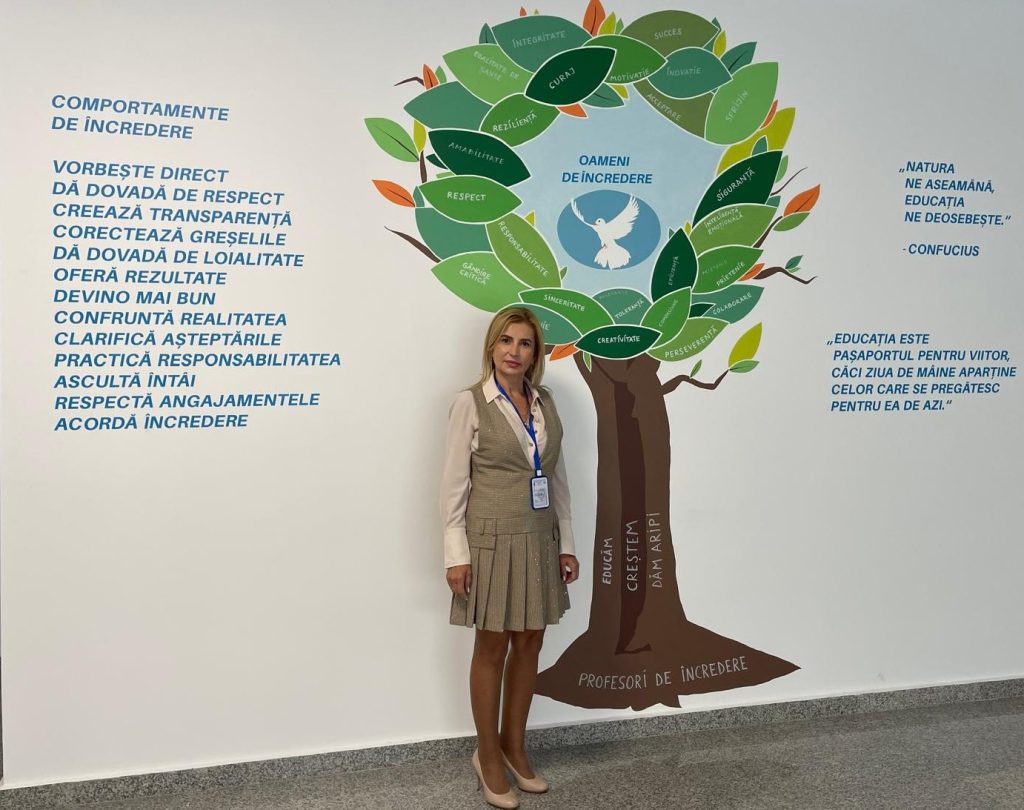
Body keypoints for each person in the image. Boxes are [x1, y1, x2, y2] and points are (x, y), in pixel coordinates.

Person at [441, 307, 580, 809]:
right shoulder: (470, 403)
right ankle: (487, 755)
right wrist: (456, 555)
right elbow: (454, 485)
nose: (514, 351)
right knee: (492, 646)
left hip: (539, 539)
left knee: (530, 642)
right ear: (491, 347)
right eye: (506, 340)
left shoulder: (546, 402)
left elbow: (556, 477)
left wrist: (566, 543)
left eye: (524, 343)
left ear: (535, 353)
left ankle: (514, 746)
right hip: (492, 542)